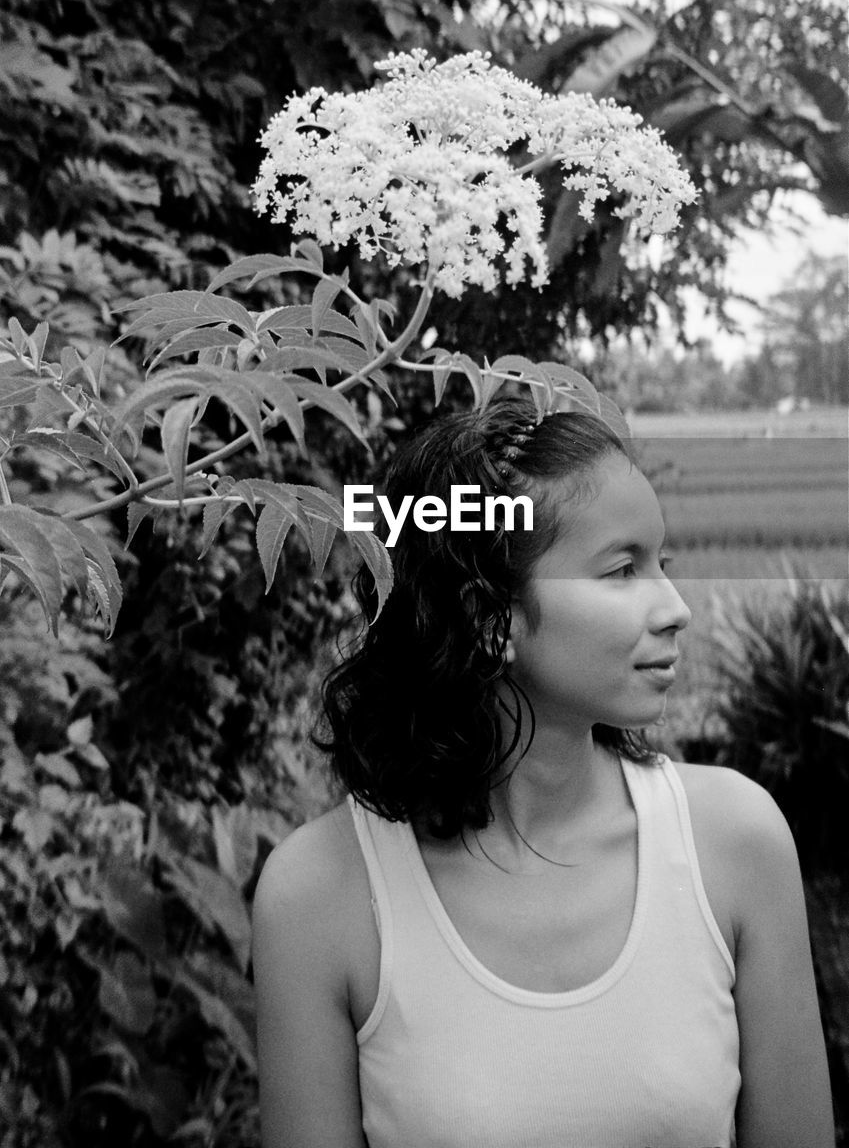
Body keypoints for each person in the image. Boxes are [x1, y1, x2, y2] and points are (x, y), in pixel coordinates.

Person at [251, 396, 835, 1148]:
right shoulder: (319, 897)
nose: (675, 608)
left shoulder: (734, 844)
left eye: (663, 564)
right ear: (491, 618)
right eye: (621, 570)